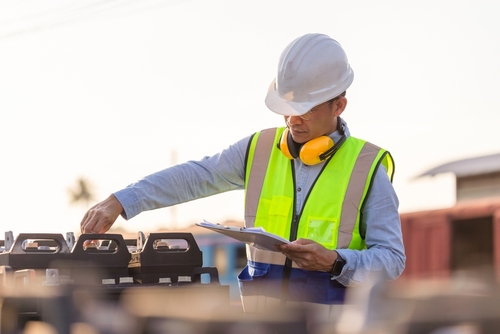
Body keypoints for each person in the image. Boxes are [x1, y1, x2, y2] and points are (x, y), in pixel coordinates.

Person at [80, 33, 405, 314]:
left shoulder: (368, 166)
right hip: (261, 326)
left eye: (305, 110)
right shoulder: (259, 150)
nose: (292, 121)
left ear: (339, 105)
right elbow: (196, 176)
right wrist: (121, 201)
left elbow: (391, 260)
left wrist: (335, 261)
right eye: (286, 109)